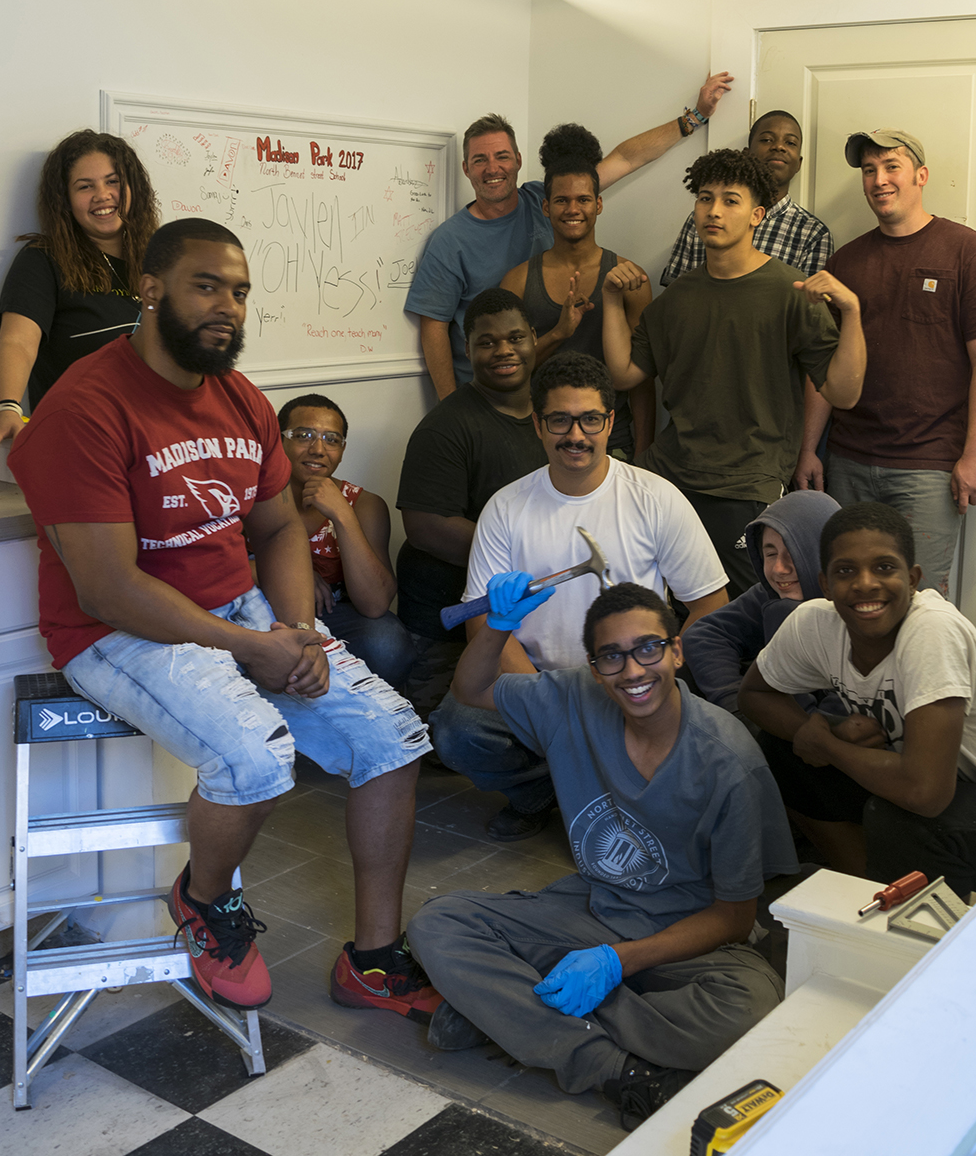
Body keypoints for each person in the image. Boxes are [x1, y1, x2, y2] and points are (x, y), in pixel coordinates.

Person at [7, 218, 440, 1022]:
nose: (228, 307)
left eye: (239, 291)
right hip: (117, 631)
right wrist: (251, 646)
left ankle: (374, 962)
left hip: (236, 609)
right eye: (207, 286)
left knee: (394, 739)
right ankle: (206, 903)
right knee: (257, 758)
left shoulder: (239, 398)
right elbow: (104, 587)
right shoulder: (85, 407)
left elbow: (277, 529)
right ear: (151, 289)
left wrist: (300, 631)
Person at [407, 580, 796, 1131]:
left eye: (649, 648)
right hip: (592, 911)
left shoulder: (728, 761)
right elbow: (471, 690)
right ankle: (616, 1070)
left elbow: (734, 918)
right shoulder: (569, 699)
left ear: (676, 651)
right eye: (611, 656)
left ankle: (512, 1011)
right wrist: (497, 625)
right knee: (438, 924)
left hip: (684, 937)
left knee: (751, 1011)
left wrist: (620, 962)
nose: (633, 671)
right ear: (594, 668)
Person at [431, 352, 728, 840]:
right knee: (457, 729)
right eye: (560, 420)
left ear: (610, 422)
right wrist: (552, 706)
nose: (575, 435)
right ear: (538, 424)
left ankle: (594, 785)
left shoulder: (656, 499)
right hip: (538, 681)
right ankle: (541, 793)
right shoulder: (506, 509)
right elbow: (482, 628)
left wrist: (649, 673)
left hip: (631, 678)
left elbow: (710, 606)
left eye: (590, 419)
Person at [602, 148, 866, 598]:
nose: (715, 211)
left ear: (756, 215)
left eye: (730, 200)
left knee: (746, 612)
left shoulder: (790, 291)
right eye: (705, 199)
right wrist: (610, 300)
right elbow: (626, 373)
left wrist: (853, 314)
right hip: (670, 478)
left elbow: (843, 394)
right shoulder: (679, 296)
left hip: (748, 484)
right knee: (662, 607)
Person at [406, 72, 734, 400]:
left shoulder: (547, 198)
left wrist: (695, 116)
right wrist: (452, 408)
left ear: (518, 161)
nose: (493, 168)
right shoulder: (450, 241)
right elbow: (433, 329)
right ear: (466, 168)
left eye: (502, 156)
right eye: (480, 160)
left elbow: (626, 158)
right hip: (486, 394)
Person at [738, 502, 976, 898]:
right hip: (937, 780)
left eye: (884, 567)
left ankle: (928, 936)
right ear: (825, 584)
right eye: (845, 571)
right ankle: (865, 889)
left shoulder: (932, 629)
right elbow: (754, 695)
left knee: (901, 818)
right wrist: (813, 731)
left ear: (913, 579)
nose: (865, 583)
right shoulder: (814, 624)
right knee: (781, 750)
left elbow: (926, 794)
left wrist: (827, 742)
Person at [796, 129, 976, 598]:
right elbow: (824, 370)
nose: (879, 179)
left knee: (919, 607)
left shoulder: (968, 252)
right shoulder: (845, 262)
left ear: (920, 175)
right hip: (848, 462)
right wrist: (809, 449)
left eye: (891, 166)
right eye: (869, 170)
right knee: (849, 601)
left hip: (929, 467)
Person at [0, 129, 160, 475]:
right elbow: (18, 342)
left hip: (161, 445)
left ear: (133, 189)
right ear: (65, 199)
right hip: (83, 452)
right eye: (85, 186)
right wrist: (5, 407)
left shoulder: (163, 260)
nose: (102, 196)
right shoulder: (43, 260)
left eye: (113, 181)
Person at [395, 288, 548, 720]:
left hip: (523, 605)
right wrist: (527, 557)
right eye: (487, 342)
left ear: (534, 338)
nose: (504, 350)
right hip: (450, 618)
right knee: (455, 734)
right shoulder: (445, 428)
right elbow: (425, 525)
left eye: (515, 338)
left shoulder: (553, 417)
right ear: (467, 350)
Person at [500, 123, 655, 457]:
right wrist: (558, 332)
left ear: (598, 205)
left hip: (613, 443)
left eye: (583, 199)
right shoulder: (517, 281)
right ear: (545, 208)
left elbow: (641, 381)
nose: (573, 210)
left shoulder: (631, 279)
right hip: (537, 441)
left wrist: (643, 457)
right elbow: (510, 372)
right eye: (561, 200)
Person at [277, 392, 416, 690]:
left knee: (387, 644)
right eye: (303, 435)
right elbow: (219, 568)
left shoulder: (364, 504)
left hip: (335, 613)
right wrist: (294, 575)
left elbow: (376, 604)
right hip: (268, 608)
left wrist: (342, 515)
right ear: (279, 441)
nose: (318, 449)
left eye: (332, 439)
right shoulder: (254, 495)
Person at [682, 489, 841, 718]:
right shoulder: (772, 594)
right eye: (770, 554)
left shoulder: (855, 612)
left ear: (822, 553)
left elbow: (831, 727)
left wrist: (787, 617)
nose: (778, 569)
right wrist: (737, 706)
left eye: (793, 554)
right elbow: (703, 635)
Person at [661, 110, 834, 285]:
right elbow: (675, 290)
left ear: (799, 164)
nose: (778, 147)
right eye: (766, 140)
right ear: (746, 153)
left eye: (790, 142)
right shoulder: (703, 219)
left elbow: (809, 305)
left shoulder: (813, 233)